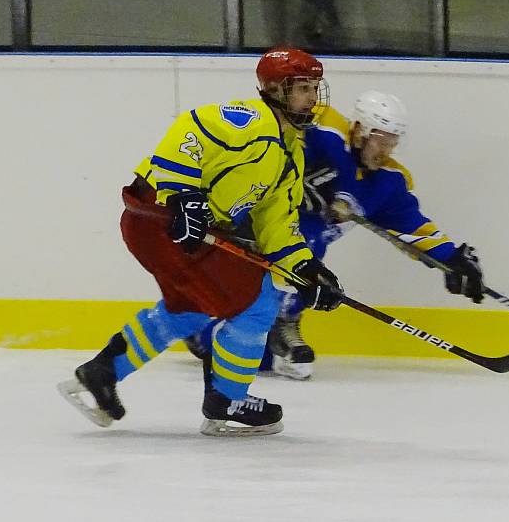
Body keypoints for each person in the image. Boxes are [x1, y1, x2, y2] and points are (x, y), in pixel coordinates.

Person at [57, 47, 343, 437]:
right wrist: (183, 196)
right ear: (276, 90)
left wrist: (307, 269)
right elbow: (191, 128)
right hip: (161, 219)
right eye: (302, 88)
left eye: (314, 88)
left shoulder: (290, 153)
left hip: (173, 232)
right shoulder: (252, 121)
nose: (312, 97)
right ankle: (227, 399)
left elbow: (277, 226)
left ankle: (101, 371)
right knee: (257, 306)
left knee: (191, 308)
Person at [186, 90, 485, 380]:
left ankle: (241, 331)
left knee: (255, 344)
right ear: (359, 131)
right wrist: (299, 182)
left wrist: (452, 258)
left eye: (393, 142)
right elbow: (282, 142)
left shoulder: (387, 183)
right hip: (248, 230)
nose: (386, 150)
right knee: (303, 239)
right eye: (380, 139)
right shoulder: (325, 137)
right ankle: (252, 325)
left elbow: (412, 226)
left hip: (293, 257)